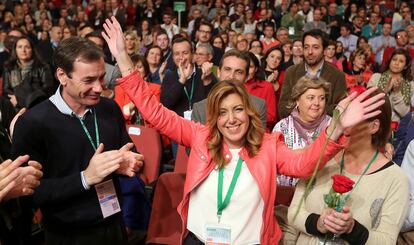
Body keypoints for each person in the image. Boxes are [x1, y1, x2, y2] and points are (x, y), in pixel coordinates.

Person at [103, 16, 386, 245]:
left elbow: (305, 162)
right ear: (214, 117)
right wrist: (123, 59)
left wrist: (337, 127)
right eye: (223, 112)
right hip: (198, 239)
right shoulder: (201, 136)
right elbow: (156, 113)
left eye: (238, 109)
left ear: (250, 113)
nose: (231, 119)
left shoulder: (268, 145)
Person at [11, 36, 144, 245]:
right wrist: (85, 178)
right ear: (63, 76)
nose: (99, 88)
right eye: (89, 80)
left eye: (101, 78)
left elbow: (130, 153)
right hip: (69, 235)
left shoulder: (109, 109)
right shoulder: (32, 124)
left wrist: (131, 162)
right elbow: (28, 195)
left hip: (115, 226)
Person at [288, 89, 409, 245]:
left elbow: (387, 240)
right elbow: (293, 214)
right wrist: (319, 223)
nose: (342, 126)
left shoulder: (395, 179)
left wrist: (352, 229)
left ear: (373, 126)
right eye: (342, 116)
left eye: (352, 118)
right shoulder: (323, 157)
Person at [278, 29, 347, 120]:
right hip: (295, 128)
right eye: (306, 47)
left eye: (315, 47)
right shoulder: (291, 72)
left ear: (324, 50)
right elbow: (282, 107)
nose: (310, 52)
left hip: (326, 131)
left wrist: (309, 110)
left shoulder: (337, 75)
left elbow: (339, 110)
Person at [191, 49, 267, 128]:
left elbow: (258, 138)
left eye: (239, 72)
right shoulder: (200, 108)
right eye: (227, 69)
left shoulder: (258, 106)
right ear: (218, 72)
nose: (231, 76)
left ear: (247, 77)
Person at [3, 36, 54, 109]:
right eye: (20, 47)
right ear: (15, 50)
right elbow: (6, 90)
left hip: (37, 105)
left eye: (27, 47)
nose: (23, 50)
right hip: (15, 107)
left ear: (32, 49)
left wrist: (21, 100)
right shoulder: (8, 67)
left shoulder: (43, 66)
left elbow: (47, 89)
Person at [368, 48, 414, 122]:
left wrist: (397, 92)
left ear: (405, 66)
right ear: (390, 61)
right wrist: (383, 92)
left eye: (401, 61)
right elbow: (368, 103)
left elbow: (405, 113)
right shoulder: (376, 77)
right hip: (375, 122)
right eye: (394, 59)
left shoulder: (410, 85)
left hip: (397, 127)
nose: (396, 63)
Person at [114, 54, 160, 124]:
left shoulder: (155, 88)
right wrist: (132, 105)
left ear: (146, 70)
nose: (136, 70)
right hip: (126, 128)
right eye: (132, 67)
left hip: (148, 130)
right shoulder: (119, 89)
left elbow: (156, 114)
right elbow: (118, 115)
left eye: (139, 67)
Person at [245, 52, 277, 131]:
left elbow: (271, 117)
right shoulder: (233, 86)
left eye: (250, 67)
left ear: (256, 69)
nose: (246, 71)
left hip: (259, 131)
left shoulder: (266, 87)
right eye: (243, 67)